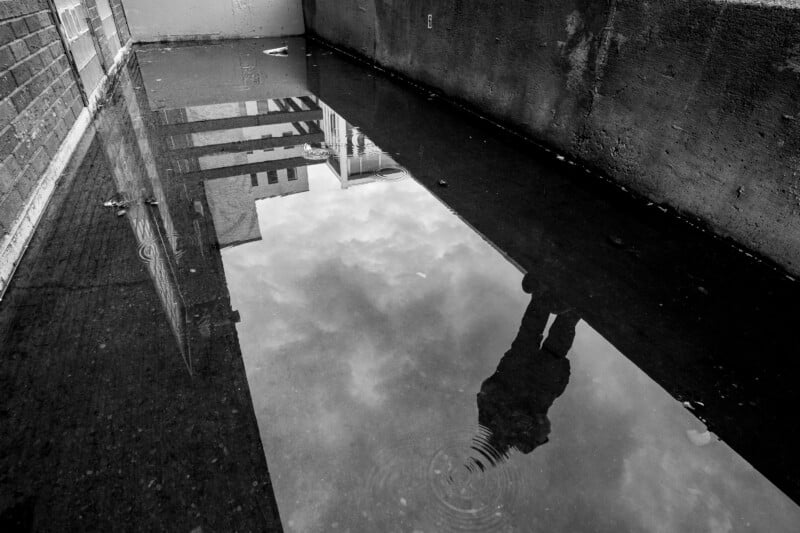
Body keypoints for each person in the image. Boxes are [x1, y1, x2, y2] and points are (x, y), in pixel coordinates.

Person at [471, 273, 579, 469]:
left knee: (529, 333)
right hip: (542, 380)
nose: (494, 444)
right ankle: (572, 303)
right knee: (554, 341)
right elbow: (544, 427)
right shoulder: (524, 443)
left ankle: (544, 292)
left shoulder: (486, 420)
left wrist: (506, 404)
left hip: (520, 371)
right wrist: (527, 417)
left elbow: (486, 389)